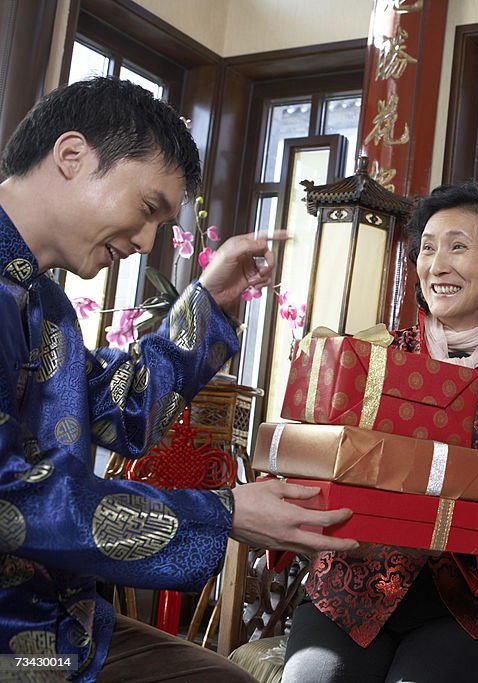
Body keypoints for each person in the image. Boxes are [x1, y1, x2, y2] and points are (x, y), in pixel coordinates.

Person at [0, 76, 361, 683]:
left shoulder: (42, 301)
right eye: (148, 210)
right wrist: (222, 513)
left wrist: (211, 303)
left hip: (53, 623)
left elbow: (122, 410)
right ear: (71, 155)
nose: (145, 243)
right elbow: (12, 498)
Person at [282, 182, 478, 683]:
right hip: (350, 591)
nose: (437, 264)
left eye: (458, 246)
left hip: (463, 605)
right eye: (428, 248)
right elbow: (322, 463)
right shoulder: (371, 356)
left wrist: (442, 524)